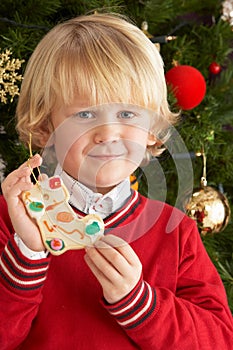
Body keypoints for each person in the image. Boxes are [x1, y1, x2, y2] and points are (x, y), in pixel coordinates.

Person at [0, 13, 232, 350]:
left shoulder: (176, 231)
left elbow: (218, 341)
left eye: (126, 114)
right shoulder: (11, 220)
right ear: (46, 127)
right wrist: (27, 256)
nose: (107, 134)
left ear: (152, 130)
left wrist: (140, 303)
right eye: (84, 115)